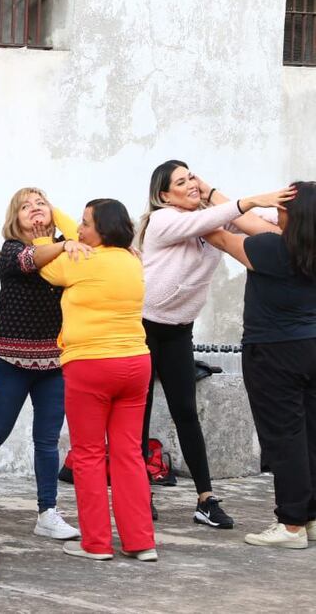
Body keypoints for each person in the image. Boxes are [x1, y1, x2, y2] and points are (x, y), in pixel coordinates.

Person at [138, 160, 295, 527]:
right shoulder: (163, 220)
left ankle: (205, 499)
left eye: (192, 177)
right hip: (143, 328)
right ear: (165, 196)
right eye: (181, 182)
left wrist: (275, 212)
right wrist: (250, 200)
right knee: (139, 414)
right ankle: (140, 493)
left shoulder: (209, 219)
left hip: (178, 331)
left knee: (186, 412)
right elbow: (215, 218)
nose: (191, 184)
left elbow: (260, 228)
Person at [0, 188, 84, 541]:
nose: (34, 209)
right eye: (26, 206)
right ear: (15, 218)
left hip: (54, 363)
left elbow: (86, 248)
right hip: (12, 362)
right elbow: (32, 259)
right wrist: (64, 244)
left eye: (41, 203)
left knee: (47, 440)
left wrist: (67, 235)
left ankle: (47, 512)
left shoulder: (67, 247)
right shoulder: (11, 252)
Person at [40, 199, 156, 561]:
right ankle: (141, 542)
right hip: (136, 364)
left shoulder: (79, 260)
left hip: (91, 365)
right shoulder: (131, 260)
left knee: (88, 454)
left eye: (85, 223)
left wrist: (44, 235)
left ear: (101, 230)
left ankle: (96, 543)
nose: (77, 230)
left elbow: (45, 267)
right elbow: (77, 233)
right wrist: (54, 210)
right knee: (128, 454)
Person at [205, 180, 316, 549]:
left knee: (284, 438)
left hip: (273, 352)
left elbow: (219, 237)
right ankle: (309, 517)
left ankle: (291, 525)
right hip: (310, 347)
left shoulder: (272, 248)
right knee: (309, 435)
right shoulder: (297, 244)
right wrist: (210, 194)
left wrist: (187, 213)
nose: (275, 213)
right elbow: (253, 224)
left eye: (281, 209)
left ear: (293, 216)